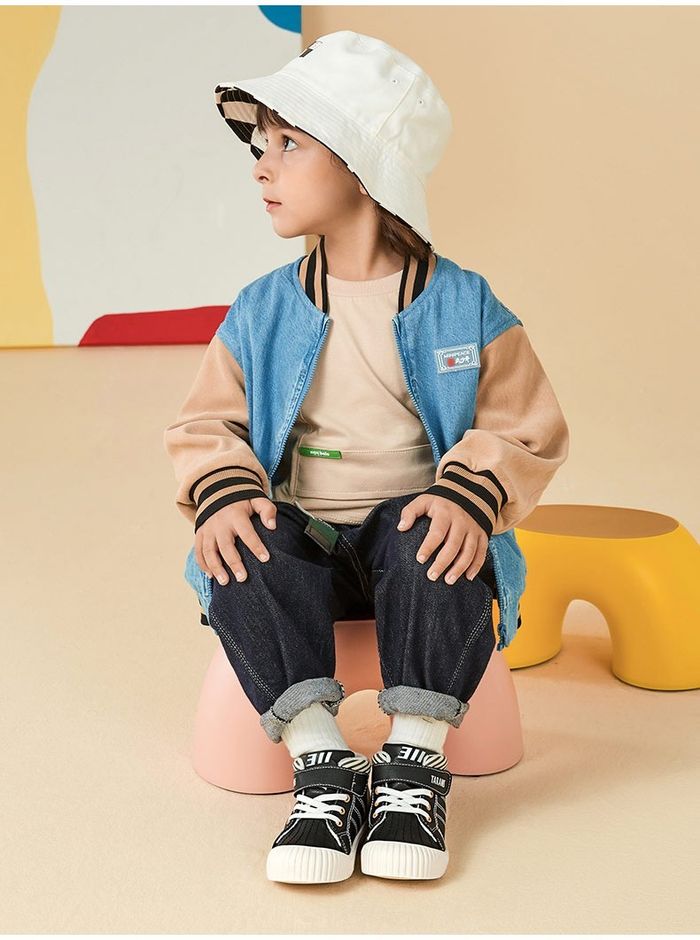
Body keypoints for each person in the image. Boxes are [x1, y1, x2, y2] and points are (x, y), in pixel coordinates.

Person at [163, 30, 570, 885]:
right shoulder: (262, 310)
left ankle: (414, 763)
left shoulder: (465, 304)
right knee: (242, 546)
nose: (260, 167)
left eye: (288, 143)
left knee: (434, 537)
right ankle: (323, 762)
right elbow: (206, 422)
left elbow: (525, 425)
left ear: (360, 167)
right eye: (260, 145)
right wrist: (224, 494)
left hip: (414, 548)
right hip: (306, 540)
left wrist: (467, 495)